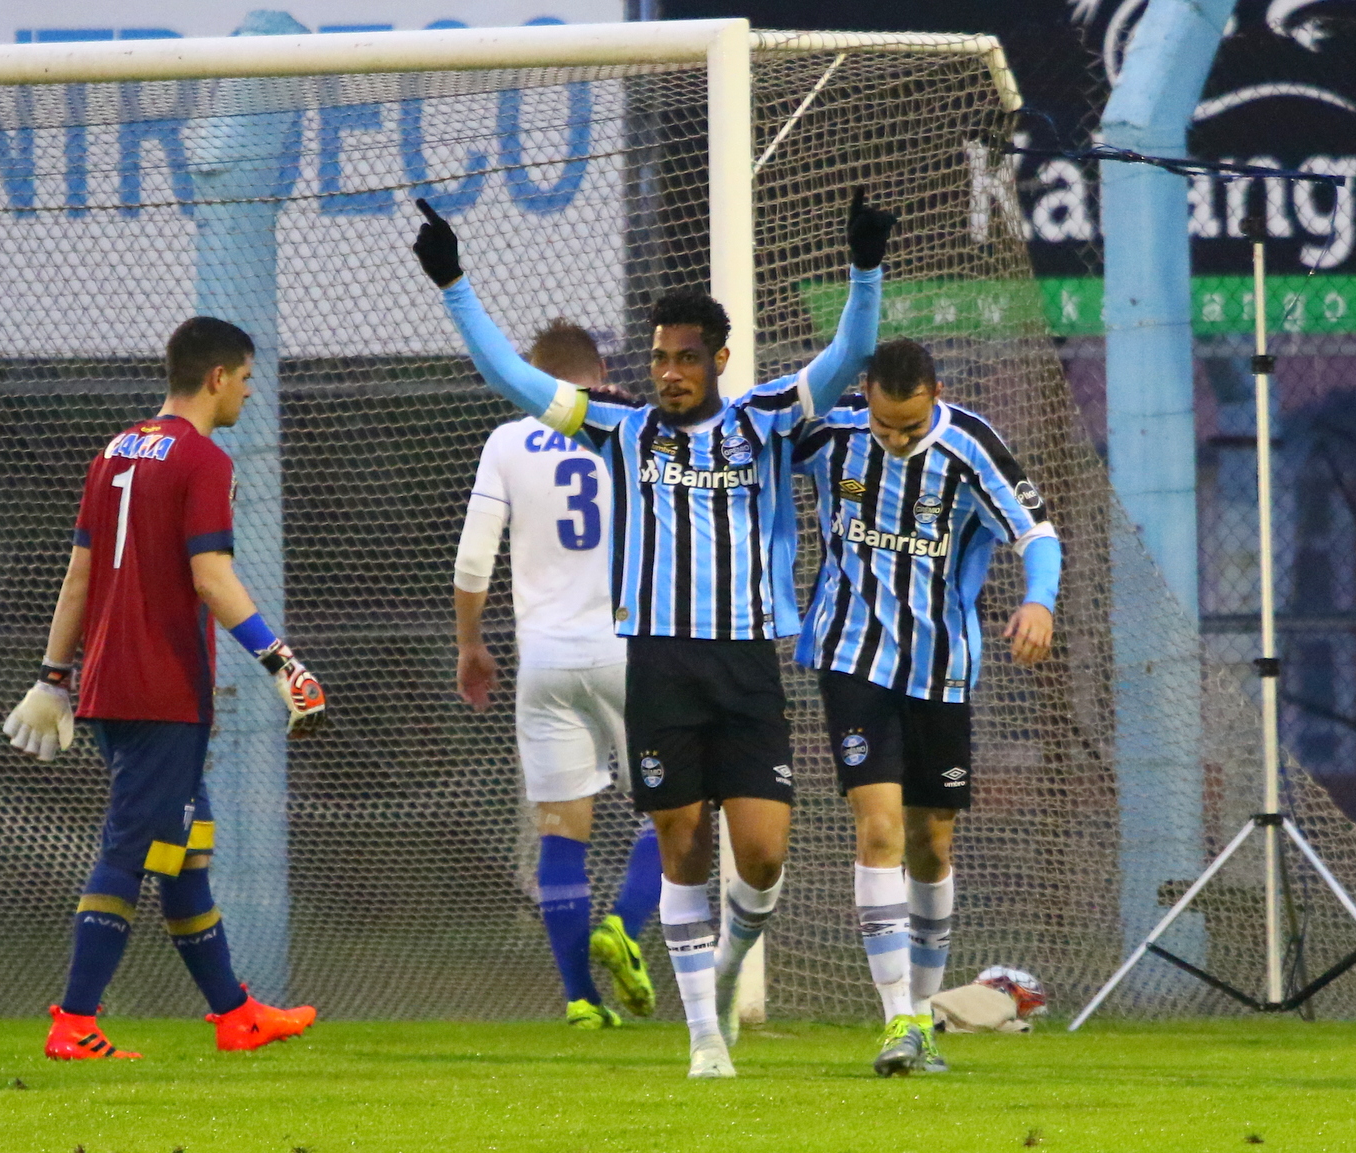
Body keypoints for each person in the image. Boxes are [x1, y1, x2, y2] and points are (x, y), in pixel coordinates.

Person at [412, 189, 894, 1077]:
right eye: (661, 357)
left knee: (762, 854)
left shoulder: (766, 420)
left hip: (747, 667)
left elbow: (850, 354)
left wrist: (865, 271)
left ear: (718, 358)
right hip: (658, 666)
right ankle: (705, 1037)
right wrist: (454, 284)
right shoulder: (617, 430)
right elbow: (513, 381)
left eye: (685, 358)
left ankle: (732, 962)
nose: (669, 372)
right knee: (680, 842)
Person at [3, 316, 328, 1061]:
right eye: (246, 377)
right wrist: (283, 664)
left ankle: (235, 1013)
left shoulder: (113, 451)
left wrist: (55, 676)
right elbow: (210, 576)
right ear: (216, 377)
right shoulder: (204, 461)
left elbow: (80, 575)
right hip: (163, 689)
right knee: (127, 851)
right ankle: (73, 1021)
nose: (250, 390)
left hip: (111, 683)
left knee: (186, 851)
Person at [792, 338, 1060, 1076]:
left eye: (912, 427)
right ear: (867, 397)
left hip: (941, 668)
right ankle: (899, 1021)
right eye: (886, 426)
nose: (898, 439)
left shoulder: (972, 445)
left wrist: (1038, 599)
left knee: (930, 842)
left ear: (935, 394)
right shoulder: (834, 429)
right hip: (851, 657)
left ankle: (925, 1015)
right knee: (876, 829)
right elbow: (748, 455)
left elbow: (1037, 533)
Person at [453, 318, 664, 1029]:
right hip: (633, 649)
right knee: (678, 808)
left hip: (544, 659)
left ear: (534, 379)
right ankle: (627, 928)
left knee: (560, 832)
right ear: (598, 369)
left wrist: (472, 645)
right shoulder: (634, 424)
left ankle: (580, 999)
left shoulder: (507, 440)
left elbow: (474, 562)